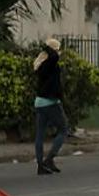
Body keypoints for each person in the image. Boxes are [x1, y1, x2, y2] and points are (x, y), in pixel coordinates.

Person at [33, 38, 68, 175]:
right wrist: (50, 48)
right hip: (50, 102)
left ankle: (41, 165)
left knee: (40, 134)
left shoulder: (40, 64)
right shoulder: (50, 62)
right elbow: (54, 56)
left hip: (39, 102)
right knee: (63, 129)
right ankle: (49, 158)